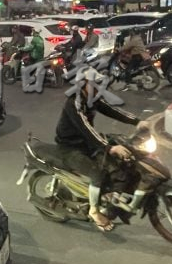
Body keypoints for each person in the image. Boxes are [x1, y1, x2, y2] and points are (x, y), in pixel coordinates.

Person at [54, 69, 153, 232]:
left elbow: (112, 110)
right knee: (97, 172)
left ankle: (112, 197)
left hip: (86, 142)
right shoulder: (74, 103)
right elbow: (86, 128)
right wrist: (110, 147)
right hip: (70, 147)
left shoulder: (93, 98)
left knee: (122, 159)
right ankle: (94, 211)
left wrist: (136, 122)